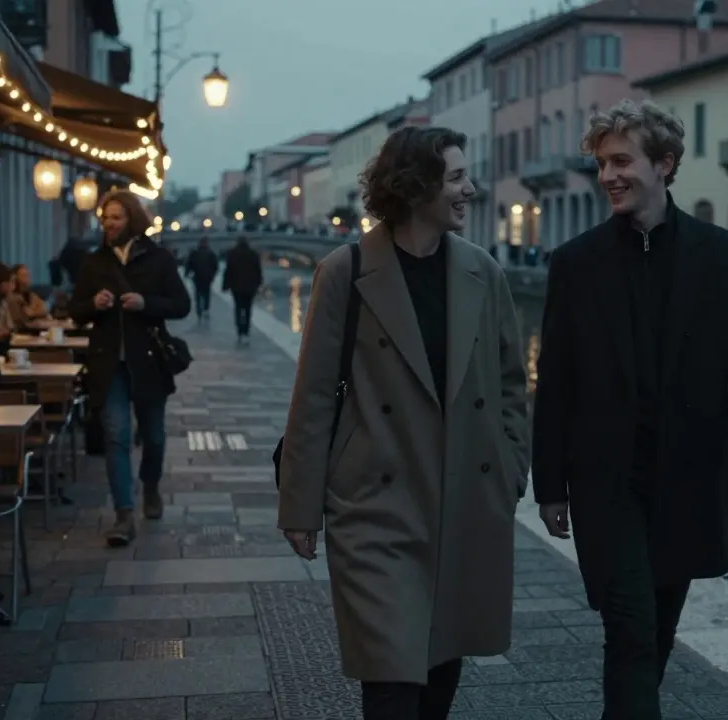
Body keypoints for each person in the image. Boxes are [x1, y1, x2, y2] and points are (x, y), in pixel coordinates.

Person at [531, 99, 728, 719]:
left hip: (688, 480)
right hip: (606, 484)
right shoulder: (576, 263)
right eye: (602, 164)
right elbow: (555, 381)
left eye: (622, 161)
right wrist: (550, 485)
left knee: (656, 632)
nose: (608, 175)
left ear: (664, 164)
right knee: (631, 630)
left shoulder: (722, 256)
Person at [278, 126, 530, 719]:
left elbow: (510, 384)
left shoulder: (483, 271)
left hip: (465, 498)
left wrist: (510, 470)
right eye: (457, 177)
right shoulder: (345, 272)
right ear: (417, 187)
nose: (471, 189)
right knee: (391, 679)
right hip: (375, 505)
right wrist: (300, 507)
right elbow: (314, 396)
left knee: (440, 673)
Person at [69, 189, 191, 547]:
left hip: (148, 361)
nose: (109, 224)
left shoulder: (159, 259)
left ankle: (150, 486)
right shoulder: (94, 262)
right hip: (109, 364)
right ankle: (123, 513)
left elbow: (181, 305)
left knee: (153, 437)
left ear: (132, 220)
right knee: (116, 435)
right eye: (105, 218)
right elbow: (75, 311)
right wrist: (93, 304)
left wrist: (145, 303)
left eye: (116, 218)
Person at [221, 237, 262, 343]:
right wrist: (258, 284)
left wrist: (225, 285)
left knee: (238, 308)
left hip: (236, 287)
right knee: (248, 308)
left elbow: (228, 270)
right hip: (250, 287)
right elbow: (258, 271)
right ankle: (246, 329)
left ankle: (239, 329)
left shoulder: (232, 254)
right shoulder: (253, 254)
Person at [184, 238, 219, 320]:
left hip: (198, 276)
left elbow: (189, 264)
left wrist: (187, 273)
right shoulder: (210, 253)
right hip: (206, 277)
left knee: (198, 293)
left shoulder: (195, 253)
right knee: (206, 293)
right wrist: (212, 275)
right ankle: (205, 308)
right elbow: (215, 266)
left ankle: (199, 309)